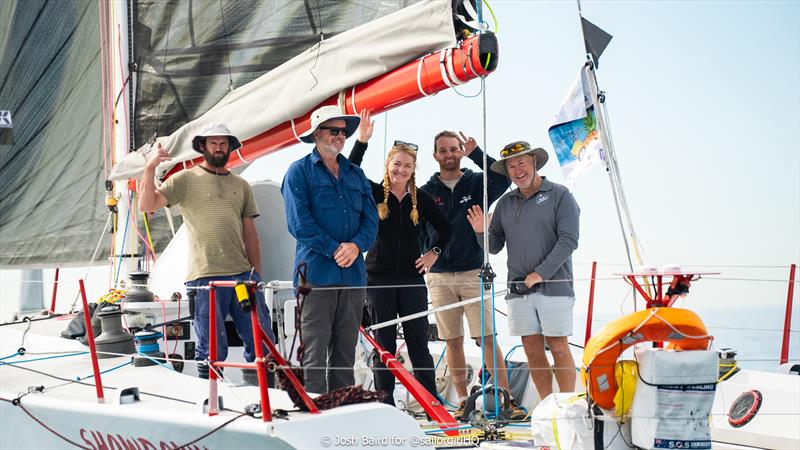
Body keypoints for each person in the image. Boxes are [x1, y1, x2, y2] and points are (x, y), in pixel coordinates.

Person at [139, 123, 275, 382]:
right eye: (214, 143)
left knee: (262, 341)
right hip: (205, 278)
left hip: (243, 278)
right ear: (202, 146)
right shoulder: (185, 179)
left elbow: (250, 233)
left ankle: (266, 398)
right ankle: (212, 406)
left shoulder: (241, 185)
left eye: (224, 143)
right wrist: (149, 167)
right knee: (211, 349)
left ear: (230, 147)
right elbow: (147, 204)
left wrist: (257, 273)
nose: (219, 148)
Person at [348, 110, 452, 406]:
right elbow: (351, 169)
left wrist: (434, 254)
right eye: (397, 164)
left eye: (407, 166)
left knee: (419, 345)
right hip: (377, 280)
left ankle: (431, 403)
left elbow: (446, 229)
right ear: (388, 165)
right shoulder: (373, 193)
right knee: (385, 347)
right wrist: (362, 141)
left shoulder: (422, 198)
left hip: (411, 280)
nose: (401, 170)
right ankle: (386, 404)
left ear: (413, 169)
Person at [420, 131, 526, 421]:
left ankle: (507, 400)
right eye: (443, 150)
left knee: (487, 338)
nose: (450, 154)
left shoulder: (477, 183)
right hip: (439, 277)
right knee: (452, 340)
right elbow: (419, 229)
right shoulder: (426, 191)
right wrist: (425, 254)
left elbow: (504, 179)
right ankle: (463, 400)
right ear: (435, 155)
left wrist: (477, 152)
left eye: (454, 149)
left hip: (472, 272)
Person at [466, 141, 579, 401]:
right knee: (531, 348)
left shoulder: (560, 194)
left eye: (521, 163)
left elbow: (569, 240)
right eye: (511, 166)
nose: (517, 170)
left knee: (559, 346)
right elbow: (493, 248)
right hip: (518, 291)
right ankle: (547, 405)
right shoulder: (504, 203)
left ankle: (567, 407)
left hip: (556, 287)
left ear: (534, 163)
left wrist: (539, 274)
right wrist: (480, 231)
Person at [281, 105, 378, 394]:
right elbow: (299, 223)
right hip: (316, 277)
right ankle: (314, 416)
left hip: (353, 278)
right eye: (333, 130)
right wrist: (337, 249)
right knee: (314, 353)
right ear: (316, 134)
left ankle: (340, 411)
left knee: (345, 354)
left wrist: (357, 246)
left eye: (343, 132)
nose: (340, 136)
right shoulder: (298, 172)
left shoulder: (355, 174)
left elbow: (371, 220)